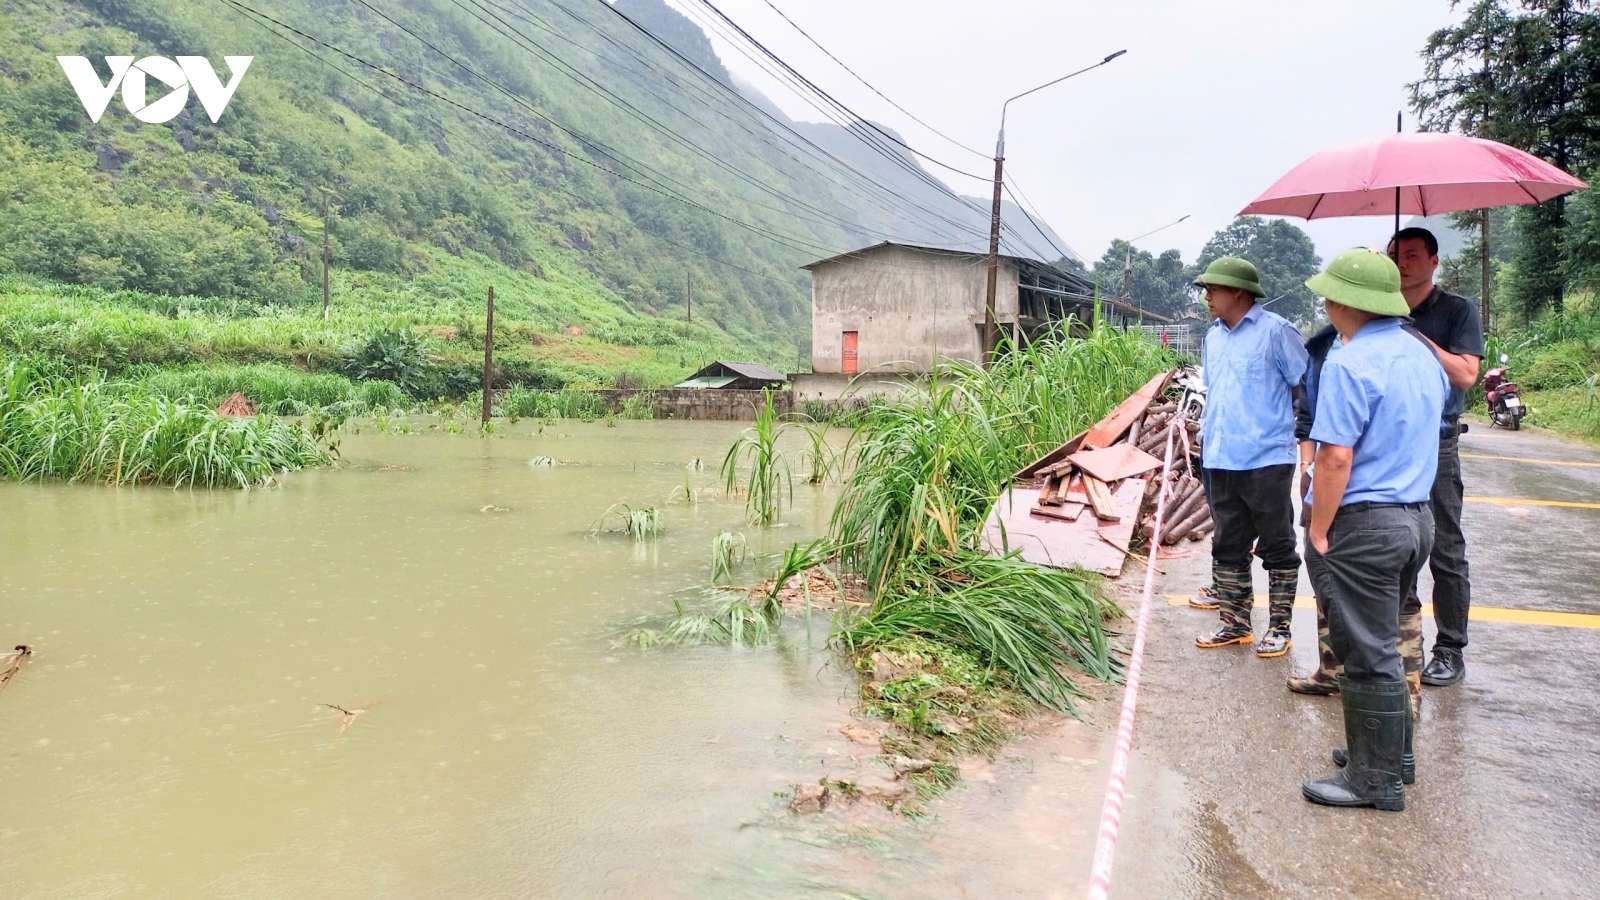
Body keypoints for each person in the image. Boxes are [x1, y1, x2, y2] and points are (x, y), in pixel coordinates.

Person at [1300, 249, 1447, 812]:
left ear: (1346, 303)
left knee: (1365, 649)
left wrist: (1319, 529)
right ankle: (1393, 755)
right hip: (1414, 518)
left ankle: (1374, 780)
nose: (1326, 305)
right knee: (1384, 636)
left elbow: (1336, 456)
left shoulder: (1348, 361)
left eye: (1329, 296)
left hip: (1365, 524)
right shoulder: (1419, 355)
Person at [1285, 326, 1426, 712]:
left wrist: (1318, 525)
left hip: (1371, 499)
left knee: (1387, 602)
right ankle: (1332, 670)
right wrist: (1307, 467)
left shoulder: (1394, 350)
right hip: (1334, 483)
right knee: (1331, 586)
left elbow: (1342, 454)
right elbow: (1307, 416)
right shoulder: (1321, 348)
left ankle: (1404, 691)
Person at [1192, 257, 1309, 658]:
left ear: (1238, 292)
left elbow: (1302, 385)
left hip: (1266, 458)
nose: (1207, 296)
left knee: (1277, 543)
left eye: (1213, 289)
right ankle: (1234, 623)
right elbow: (1216, 393)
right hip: (1220, 456)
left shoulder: (1277, 332)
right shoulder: (1213, 338)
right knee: (1227, 542)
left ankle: (1280, 627)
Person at [1388, 228, 1484, 687]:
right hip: (1390, 440)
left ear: (1433, 261)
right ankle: (1400, 642)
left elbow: (1466, 374)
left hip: (1438, 440)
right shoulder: (1380, 305)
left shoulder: (1456, 310)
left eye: (1411, 255)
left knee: (1444, 546)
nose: (1402, 263)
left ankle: (1450, 649)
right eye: (1395, 256)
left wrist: (1416, 337)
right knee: (1394, 541)